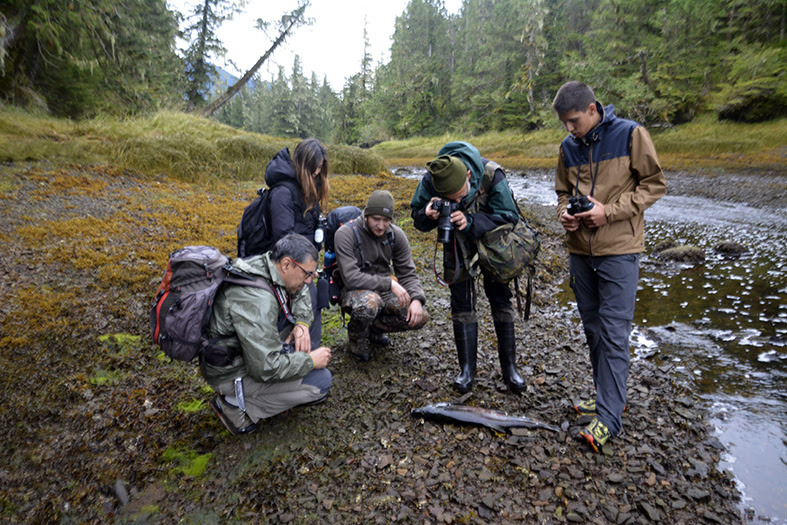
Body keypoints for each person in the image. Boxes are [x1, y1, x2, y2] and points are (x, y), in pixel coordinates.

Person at [552, 81, 666, 452]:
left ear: (591, 109)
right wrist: (566, 215)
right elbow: (562, 193)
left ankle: (610, 419)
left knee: (615, 333)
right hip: (580, 251)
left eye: (573, 121)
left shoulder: (631, 134)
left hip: (619, 249)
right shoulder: (568, 147)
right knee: (593, 329)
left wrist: (609, 212)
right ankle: (607, 398)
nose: (570, 129)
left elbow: (654, 184)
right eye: (564, 123)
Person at [410, 141, 527, 395]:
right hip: (455, 245)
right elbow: (416, 217)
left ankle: (510, 370)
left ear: (469, 176)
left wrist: (471, 220)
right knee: (461, 301)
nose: (457, 202)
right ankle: (466, 371)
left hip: (493, 244)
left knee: (500, 298)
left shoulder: (491, 175)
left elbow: (509, 216)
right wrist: (427, 215)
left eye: (461, 196)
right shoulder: (432, 178)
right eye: (451, 200)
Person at [200, 234, 332, 436]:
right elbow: (265, 368)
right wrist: (309, 362)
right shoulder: (258, 300)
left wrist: (302, 324)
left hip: (240, 351)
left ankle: (244, 397)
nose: (308, 281)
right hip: (231, 373)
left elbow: (301, 293)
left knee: (303, 342)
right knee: (320, 381)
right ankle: (236, 406)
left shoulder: (264, 263)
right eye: (307, 274)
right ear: (287, 264)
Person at [334, 190, 429, 362]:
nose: (381, 225)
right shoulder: (345, 234)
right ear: (366, 215)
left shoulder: (396, 235)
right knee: (370, 303)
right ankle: (357, 337)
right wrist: (390, 284)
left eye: (386, 220)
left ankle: (374, 331)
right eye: (376, 219)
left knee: (420, 316)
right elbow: (350, 277)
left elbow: (407, 273)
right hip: (354, 289)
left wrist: (416, 299)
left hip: (383, 288)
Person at [264, 138, 330, 350]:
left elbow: (310, 233)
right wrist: (305, 270)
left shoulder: (308, 192)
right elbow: (284, 240)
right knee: (308, 296)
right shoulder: (283, 193)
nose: (317, 173)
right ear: (303, 165)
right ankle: (299, 355)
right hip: (282, 264)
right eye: (314, 168)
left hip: (303, 263)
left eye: (320, 168)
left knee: (319, 293)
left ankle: (309, 350)